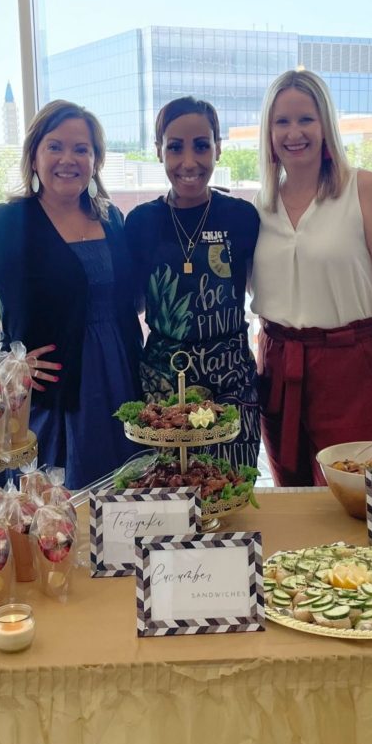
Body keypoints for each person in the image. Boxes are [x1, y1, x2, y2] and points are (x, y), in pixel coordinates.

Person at [0, 100, 142, 489]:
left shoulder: (112, 219)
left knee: (127, 512)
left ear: (95, 160)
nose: (68, 159)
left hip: (122, 388)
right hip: (55, 404)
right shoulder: (7, 224)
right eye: (55, 146)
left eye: (81, 149)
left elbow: (127, 301)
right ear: (34, 156)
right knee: (56, 520)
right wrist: (0, 366)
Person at [250, 69, 372, 487]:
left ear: (326, 124)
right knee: (292, 495)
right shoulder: (259, 207)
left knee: (354, 496)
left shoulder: (363, 190)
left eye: (306, 119)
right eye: (281, 121)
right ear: (268, 131)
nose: (294, 132)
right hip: (279, 367)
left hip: (352, 368)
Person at [125, 96, 260, 469]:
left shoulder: (242, 217)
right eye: (175, 147)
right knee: (169, 496)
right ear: (158, 151)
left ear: (217, 148)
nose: (189, 162)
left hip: (231, 380)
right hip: (163, 384)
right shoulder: (140, 222)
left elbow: (258, 287)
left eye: (201, 145)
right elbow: (132, 302)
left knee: (231, 489)